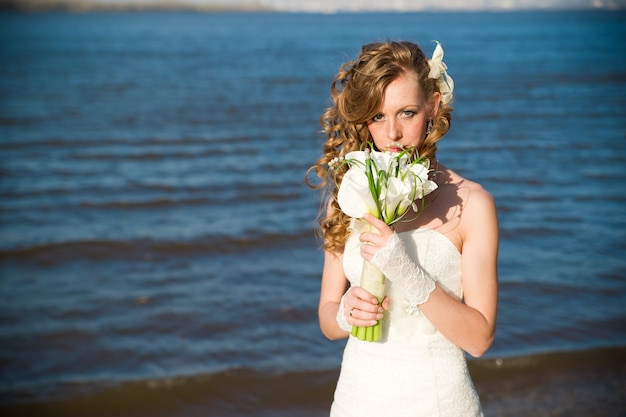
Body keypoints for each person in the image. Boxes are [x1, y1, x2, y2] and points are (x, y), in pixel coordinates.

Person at [306, 40, 499, 416]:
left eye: (406, 113)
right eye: (378, 116)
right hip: (356, 401)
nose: (391, 133)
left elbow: (480, 338)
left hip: (438, 404)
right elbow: (328, 319)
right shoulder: (348, 198)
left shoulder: (473, 205)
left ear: (433, 107)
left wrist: (403, 267)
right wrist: (346, 313)